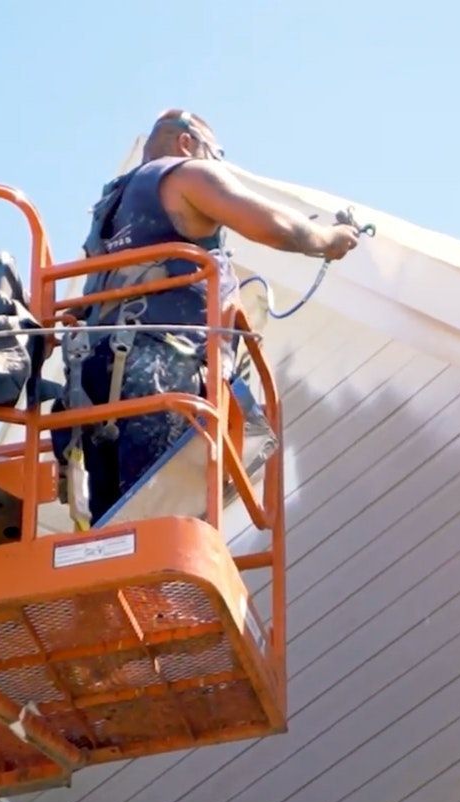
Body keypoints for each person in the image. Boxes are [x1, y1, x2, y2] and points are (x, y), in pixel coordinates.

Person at [58, 108, 360, 523]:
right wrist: (330, 239)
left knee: (114, 529)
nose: (218, 164)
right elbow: (277, 226)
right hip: (157, 369)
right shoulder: (186, 174)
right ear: (187, 143)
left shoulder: (108, 214)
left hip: (92, 381)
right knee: (163, 524)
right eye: (216, 154)